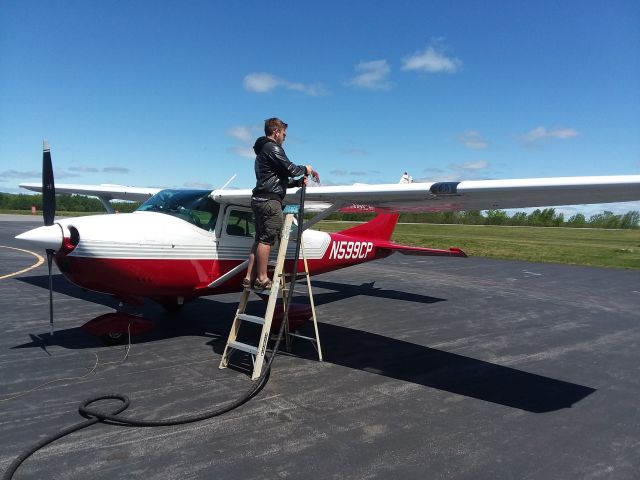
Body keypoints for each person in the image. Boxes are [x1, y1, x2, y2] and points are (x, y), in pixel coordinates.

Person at [243, 118, 313, 290]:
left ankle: (248, 276)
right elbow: (290, 168)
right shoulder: (272, 147)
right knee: (267, 240)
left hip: (260, 199)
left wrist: (296, 183)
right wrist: (306, 169)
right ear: (276, 132)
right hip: (270, 202)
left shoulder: (262, 152)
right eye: (284, 134)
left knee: (259, 239)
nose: (284, 138)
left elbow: (278, 179)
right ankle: (262, 278)